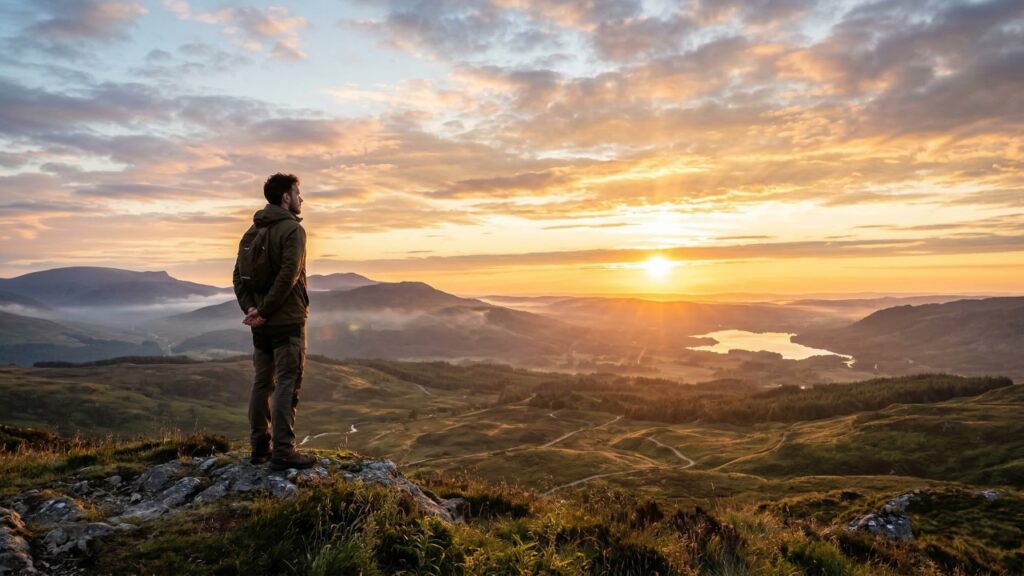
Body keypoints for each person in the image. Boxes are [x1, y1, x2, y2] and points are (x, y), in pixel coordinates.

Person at [232, 173, 316, 470]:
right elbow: (290, 275)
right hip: (287, 320)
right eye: (298, 193)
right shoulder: (292, 231)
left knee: (261, 383)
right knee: (287, 384)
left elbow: (237, 277)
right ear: (285, 197)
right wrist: (264, 311)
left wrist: (252, 309)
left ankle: (259, 448)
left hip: (261, 325)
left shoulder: (252, 232)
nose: (301, 199)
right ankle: (283, 451)